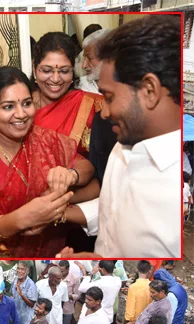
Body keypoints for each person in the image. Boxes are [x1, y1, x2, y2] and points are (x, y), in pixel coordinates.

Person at [62, 15, 181, 258]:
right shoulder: (124, 144)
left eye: (109, 97)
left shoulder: (174, 190)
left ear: (149, 91)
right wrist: (59, 213)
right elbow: (113, 208)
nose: (103, 112)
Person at [0, 66, 93, 257]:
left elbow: (87, 168)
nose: (21, 114)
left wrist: (71, 175)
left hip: (58, 255)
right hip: (5, 259)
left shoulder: (46, 140)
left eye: (26, 103)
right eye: (8, 107)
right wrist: (24, 218)